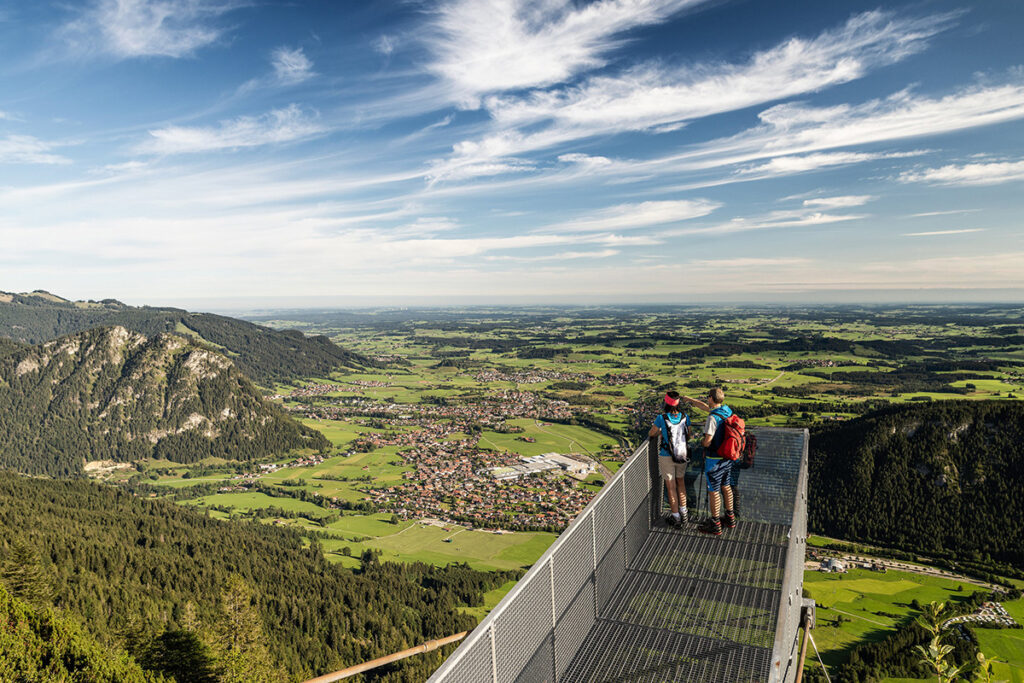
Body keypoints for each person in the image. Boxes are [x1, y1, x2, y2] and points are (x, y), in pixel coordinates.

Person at [683, 388, 736, 535]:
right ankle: (730, 518)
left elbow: (707, 441)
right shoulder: (726, 410)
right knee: (726, 487)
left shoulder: (712, 419)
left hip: (714, 460)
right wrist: (691, 401)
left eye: (708, 397)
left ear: (711, 398)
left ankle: (715, 524)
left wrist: (700, 442)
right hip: (727, 457)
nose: (707, 399)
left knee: (713, 491)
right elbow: (707, 408)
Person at [648, 390, 690, 527]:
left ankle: (676, 517)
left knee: (671, 487)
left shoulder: (662, 418)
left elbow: (652, 433)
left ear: (666, 402)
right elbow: (688, 433)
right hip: (682, 455)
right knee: (681, 484)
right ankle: (684, 513)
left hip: (667, 455)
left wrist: (661, 432)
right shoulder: (685, 416)